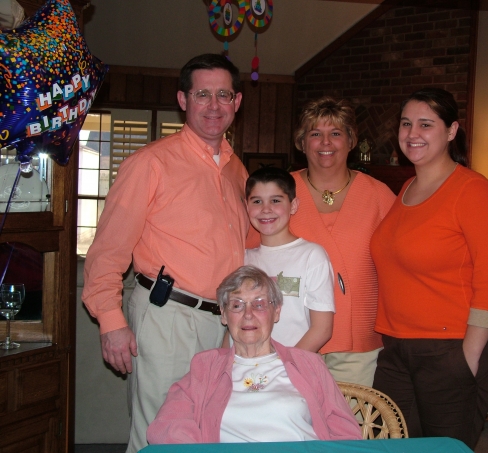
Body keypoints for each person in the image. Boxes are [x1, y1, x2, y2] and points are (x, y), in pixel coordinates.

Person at [82, 54, 248, 453]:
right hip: (168, 318)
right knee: (160, 435)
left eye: (223, 95)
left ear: (237, 102)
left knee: (209, 432)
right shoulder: (150, 163)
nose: (213, 105)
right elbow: (107, 250)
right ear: (183, 99)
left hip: (224, 323)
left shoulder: (237, 171)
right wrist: (111, 322)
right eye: (202, 94)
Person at [370, 87, 488, 449]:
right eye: (406, 124)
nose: (412, 133)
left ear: (451, 131)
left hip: (450, 348)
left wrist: (468, 358)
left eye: (425, 124)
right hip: (397, 349)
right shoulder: (407, 188)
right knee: (388, 443)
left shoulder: (472, 190)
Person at [147, 265, 361, 444]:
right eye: (237, 305)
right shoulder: (206, 366)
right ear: (224, 314)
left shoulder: (309, 363)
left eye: (259, 304)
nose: (248, 314)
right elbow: (167, 426)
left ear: (276, 312)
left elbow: (345, 432)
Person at [290, 96, 396, 386]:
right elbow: (255, 260)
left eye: (336, 133)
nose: (326, 142)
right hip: (294, 334)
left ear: (351, 141)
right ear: (302, 142)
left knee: (351, 415)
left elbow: (401, 263)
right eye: (315, 133)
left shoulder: (379, 195)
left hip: (358, 343)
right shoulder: (280, 192)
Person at [243, 166, 335, 352]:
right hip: (246, 363)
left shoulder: (311, 256)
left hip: (293, 363)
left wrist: (284, 364)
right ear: (247, 206)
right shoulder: (243, 258)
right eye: (257, 201)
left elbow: (322, 329)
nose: (266, 209)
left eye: (275, 201)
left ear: (293, 205)